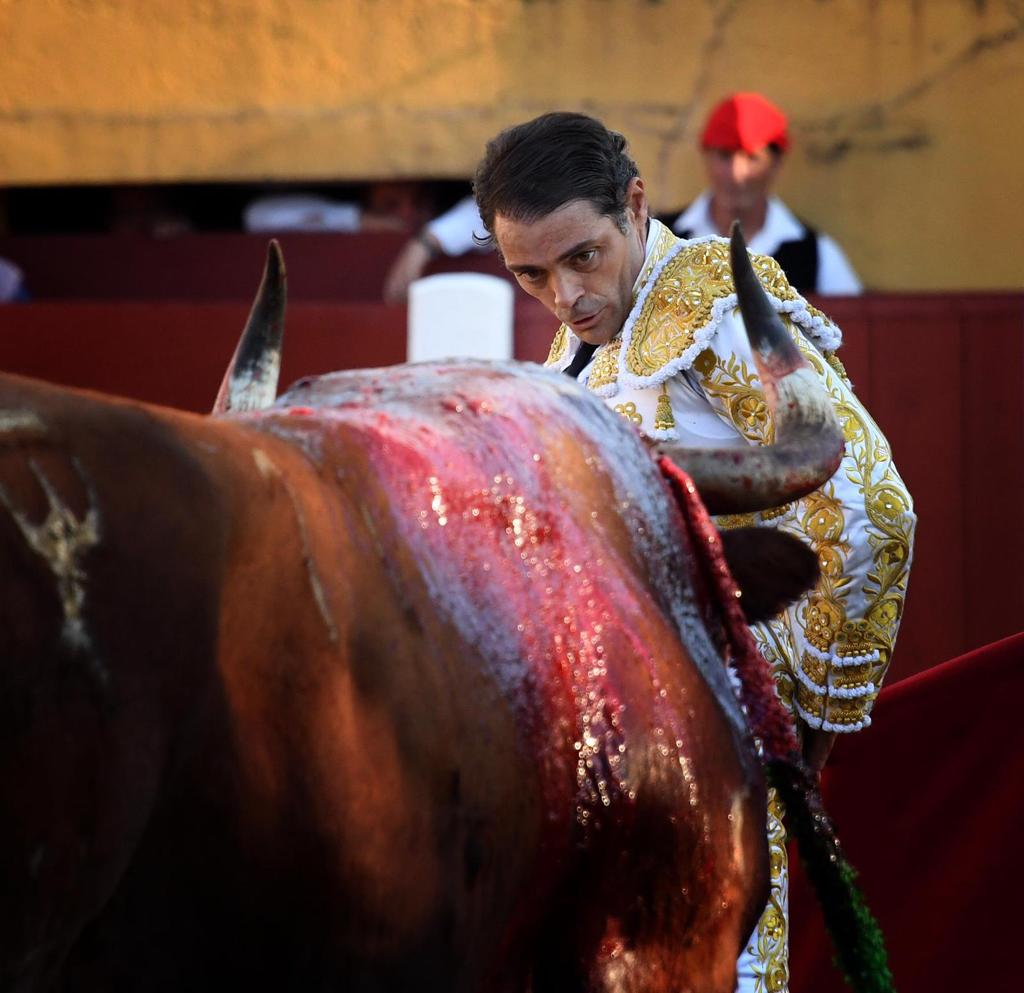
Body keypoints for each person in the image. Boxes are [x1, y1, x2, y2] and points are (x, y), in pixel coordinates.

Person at [472, 111, 915, 993]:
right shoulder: (578, 352)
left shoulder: (711, 298)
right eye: (532, 273)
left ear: (635, 207)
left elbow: (873, 509)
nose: (566, 295)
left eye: (583, 256)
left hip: (716, 737)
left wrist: (801, 720)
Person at [662, 92, 862, 295]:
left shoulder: (816, 254)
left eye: (751, 158)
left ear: (776, 164)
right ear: (706, 157)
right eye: (724, 156)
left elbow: (852, 322)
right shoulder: (661, 239)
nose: (736, 173)